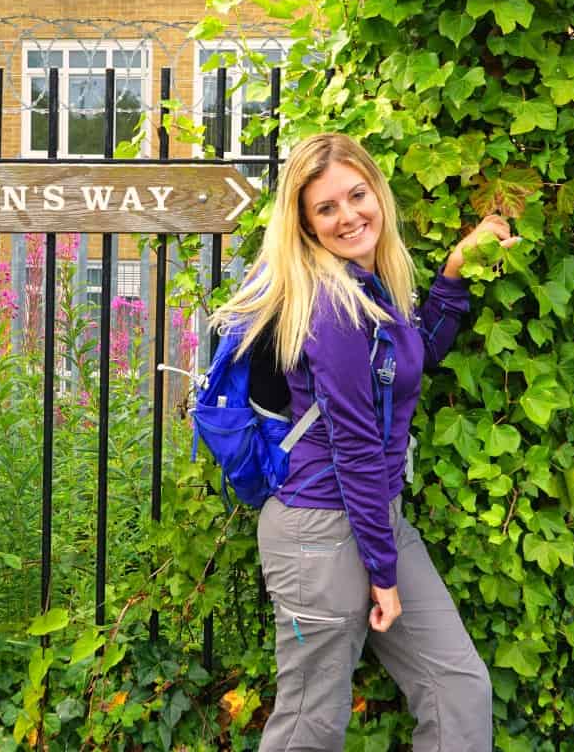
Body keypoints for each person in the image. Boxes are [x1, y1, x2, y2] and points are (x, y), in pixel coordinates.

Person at [213, 133, 513, 751]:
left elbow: (415, 354)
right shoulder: (332, 307)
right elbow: (355, 451)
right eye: (327, 208)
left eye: (357, 195)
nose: (349, 215)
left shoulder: (370, 284)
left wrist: (455, 270)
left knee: (458, 687)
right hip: (319, 536)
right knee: (310, 726)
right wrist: (383, 573)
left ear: (377, 190)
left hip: (374, 516)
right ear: (305, 224)